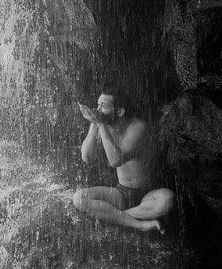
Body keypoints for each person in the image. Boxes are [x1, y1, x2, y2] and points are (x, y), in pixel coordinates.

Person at [73, 88, 174, 233]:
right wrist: (94, 125)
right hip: (122, 192)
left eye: (103, 106)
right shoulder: (104, 128)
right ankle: (139, 225)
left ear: (120, 111)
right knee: (79, 198)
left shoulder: (137, 127)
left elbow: (116, 161)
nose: (97, 110)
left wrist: (100, 124)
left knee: (167, 200)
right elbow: (87, 158)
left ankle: (112, 216)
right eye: (97, 105)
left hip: (149, 194)